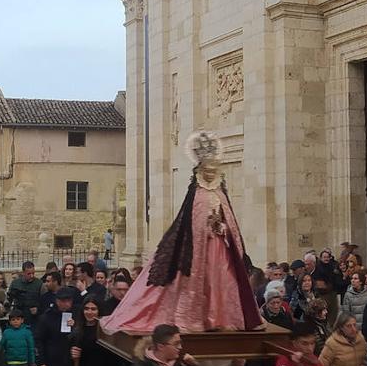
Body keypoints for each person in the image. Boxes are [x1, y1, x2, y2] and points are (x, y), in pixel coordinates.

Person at [103, 132, 262, 335]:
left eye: (214, 169)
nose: (211, 173)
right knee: (198, 281)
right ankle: (199, 318)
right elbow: (191, 223)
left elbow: (229, 223)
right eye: (207, 169)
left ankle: (221, 317)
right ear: (200, 169)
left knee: (223, 280)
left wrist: (221, 228)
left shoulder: (221, 194)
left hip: (220, 249)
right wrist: (205, 228)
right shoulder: (197, 195)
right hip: (197, 251)